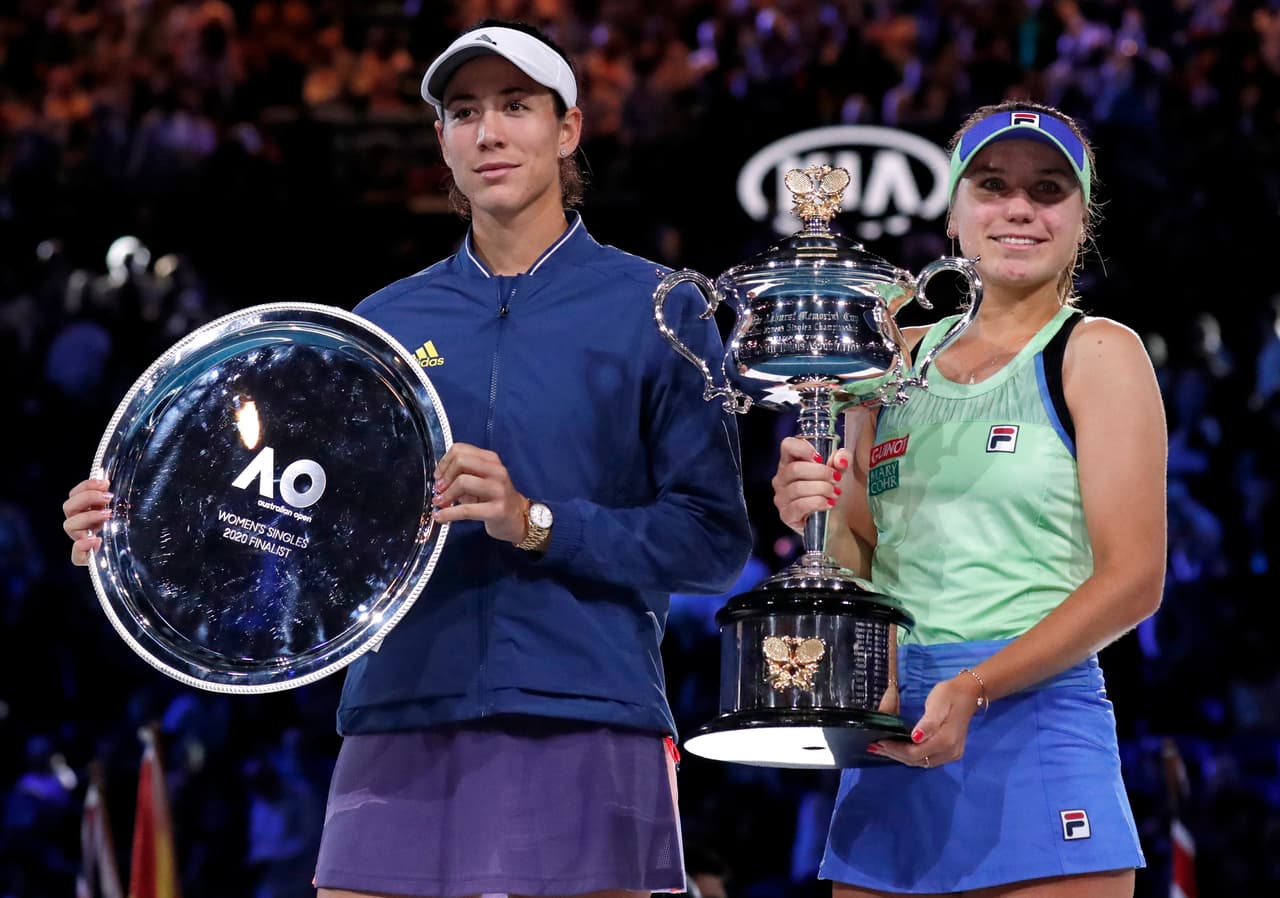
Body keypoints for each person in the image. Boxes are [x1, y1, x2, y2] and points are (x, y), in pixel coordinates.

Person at [62, 19, 753, 898]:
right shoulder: (380, 322)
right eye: (464, 112)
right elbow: (296, 513)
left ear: (568, 129)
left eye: (515, 106)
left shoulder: (660, 308)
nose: (489, 132)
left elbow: (712, 541)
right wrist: (138, 522)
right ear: (441, 141)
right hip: (399, 711)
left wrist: (534, 522)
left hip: (582, 711)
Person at [771, 101, 1166, 897]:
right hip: (893, 726)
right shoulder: (891, 360)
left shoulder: (1096, 353)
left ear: (1080, 219)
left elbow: (1135, 581)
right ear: (954, 212)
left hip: (1033, 721)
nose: (1018, 208)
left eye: (1048, 189)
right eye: (992, 185)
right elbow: (859, 551)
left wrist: (976, 685)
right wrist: (810, 514)